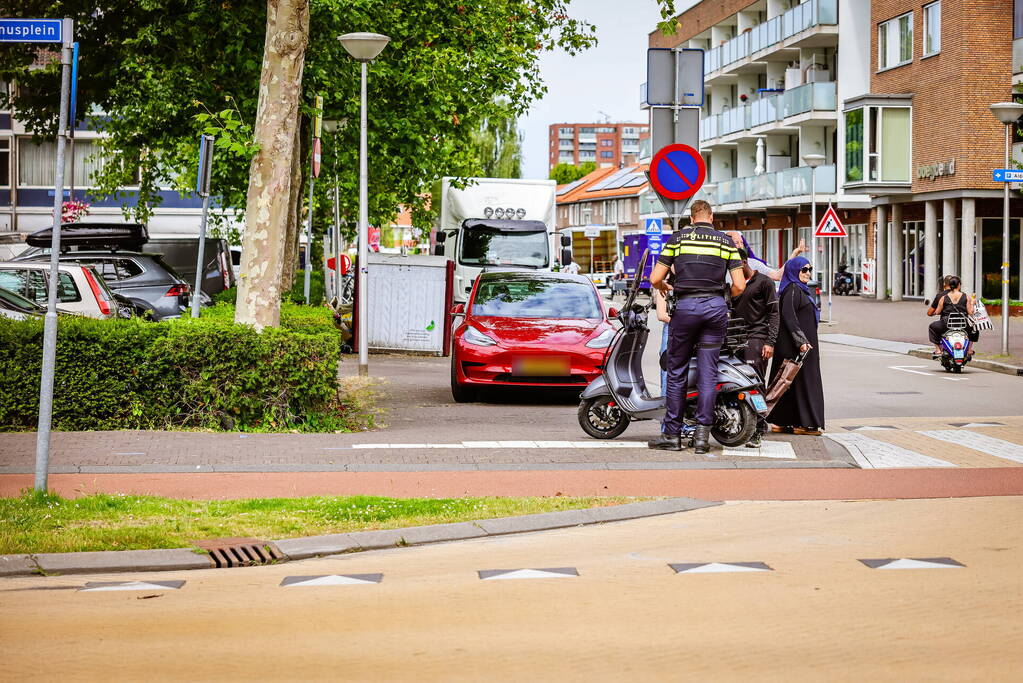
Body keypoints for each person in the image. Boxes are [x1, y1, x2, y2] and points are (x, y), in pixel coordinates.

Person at [648, 200, 745, 454]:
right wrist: (721, 298)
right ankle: (702, 438)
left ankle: (672, 435)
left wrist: (665, 288)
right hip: (715, 309)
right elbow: (740, 285)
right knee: (708, 373)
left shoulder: (678, 239)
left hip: (686, 309)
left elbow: (655, 278)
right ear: (711, 217)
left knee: (677, 370)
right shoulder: (725, 242)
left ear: (692, 218)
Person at [767, 257, 825, 436]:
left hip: (798, 346)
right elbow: (789, 316)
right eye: (804, 270)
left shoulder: (798, 289)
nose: (808, 273)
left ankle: (782, 421)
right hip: (798, 347)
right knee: (803, 383)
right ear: (793, 271)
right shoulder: (792, 289)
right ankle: (803, 424)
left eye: (809, 269)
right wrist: (801, 342)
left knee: (791, 384)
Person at [731, 247, 779, 448]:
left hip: (757, 339)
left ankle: (758, 429)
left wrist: (770, 342)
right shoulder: (734, 286)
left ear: (743, 263)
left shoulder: (764, 282)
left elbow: (775, 313)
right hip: (736, 340)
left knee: (756, 385)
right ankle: (743, 425)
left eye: (733, 266)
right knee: (735, 384)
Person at [725, 231, 808, 282]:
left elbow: (778, 276)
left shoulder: (753, 263)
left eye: (741, 243)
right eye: (736, 243)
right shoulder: (720, 264)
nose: (740, 246)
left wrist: (795, 254)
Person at [929, 275, 977, 355]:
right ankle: (969, 349)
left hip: (946, 324)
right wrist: (972, 303)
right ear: (959, 285)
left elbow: (937, 312)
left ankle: (938, 349)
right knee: (975, 328)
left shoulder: (944, 298)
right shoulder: (966, 297)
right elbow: (970, 312)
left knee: (932, 327)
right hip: (963, 324)